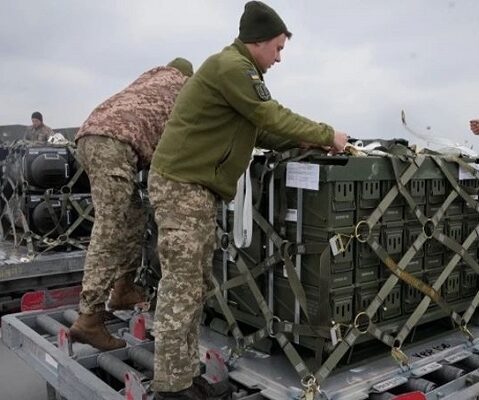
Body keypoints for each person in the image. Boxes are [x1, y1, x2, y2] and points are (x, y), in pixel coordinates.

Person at [147, 2, 348, 399]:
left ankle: (184, 376)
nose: (279, 57)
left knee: (196, 284)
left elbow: (260, 132)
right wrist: (327, 134)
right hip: (182, 186)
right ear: (257, 42)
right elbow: (269, 114)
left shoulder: (237, 72)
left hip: (195, 190)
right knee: (182, 288)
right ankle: (170, 388)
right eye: (277, 48)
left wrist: (300, 139)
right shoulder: (232, 68)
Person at [69, 58, 194, 351]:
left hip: (92, 136)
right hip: (113, 143)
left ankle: (123, 287)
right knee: (110, 228)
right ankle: (89, 318)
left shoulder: (151, 78)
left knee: (134, 215)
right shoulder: (184, 88)